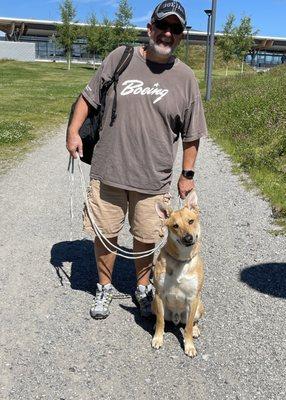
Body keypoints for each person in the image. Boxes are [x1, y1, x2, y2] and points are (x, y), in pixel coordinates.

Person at [66, 1, 207, 320]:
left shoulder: (185, 78)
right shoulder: (121, 57)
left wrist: (187, 174)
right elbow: (88, 98)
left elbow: (192, 133)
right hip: (109, 170)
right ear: (150, 28)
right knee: (105, 232)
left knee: (146, 237)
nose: (168, 33)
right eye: (163, 26)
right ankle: (104, 287)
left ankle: (143, 288)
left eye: (176, 29)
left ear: (181, 36)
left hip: (153, 177)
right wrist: (73, 132)